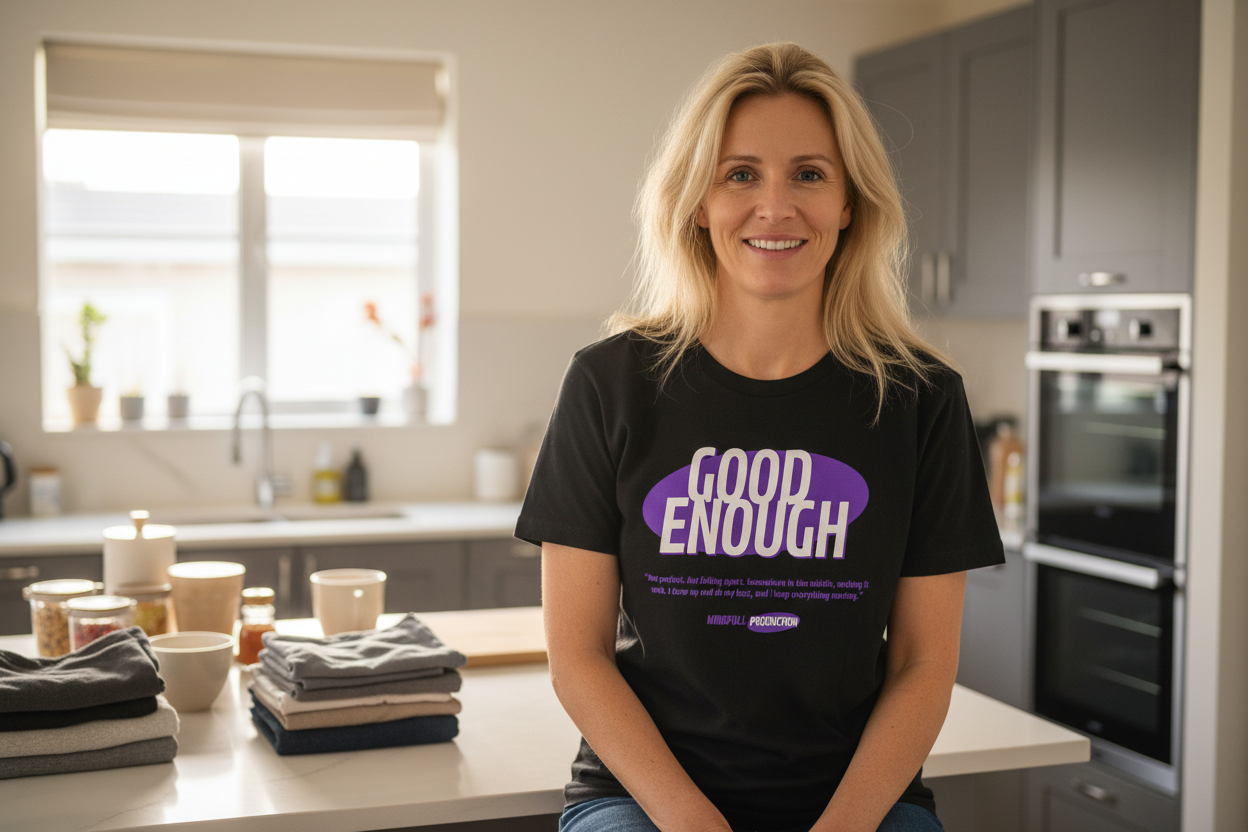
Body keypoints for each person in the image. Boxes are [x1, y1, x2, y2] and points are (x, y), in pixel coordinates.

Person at [515, 42, 1005, 832]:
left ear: (849, 203)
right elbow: (578, 655)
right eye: (740, 174)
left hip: (859, 805)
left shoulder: (922, 400)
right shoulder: (610, 383)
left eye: (808, 174)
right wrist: (692, 821)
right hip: (646, 801)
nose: (775, 207)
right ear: (697, 203)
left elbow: (922, 664)